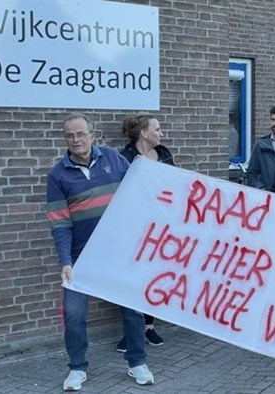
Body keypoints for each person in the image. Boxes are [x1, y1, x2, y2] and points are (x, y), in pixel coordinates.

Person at [46, 114, 154, 391]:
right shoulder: (57, 175)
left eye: (81, 133)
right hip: (80, 256)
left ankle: (137, 362)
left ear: (92, 135)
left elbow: (139, 187)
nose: (76, 140)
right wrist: (65, 261)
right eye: (70, 135)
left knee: (132, 308)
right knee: (73, 313)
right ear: (65, 139)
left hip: (118, 250)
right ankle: (77, 368)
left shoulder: (113, 159)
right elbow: (60, 222)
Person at [116, 114, 176, 351]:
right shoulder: (124, 158)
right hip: (134, 227)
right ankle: (131, 330)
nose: (161, 133)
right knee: (132, 277)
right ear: (144, 133)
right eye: (157, 129)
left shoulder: (164, 155)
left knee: (153, 275)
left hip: (161, 226)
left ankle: (149, 326)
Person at [247, 104, 275, 190]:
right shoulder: (260, 145)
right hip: (267, 198)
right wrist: (261, 189)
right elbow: (252, 173)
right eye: (273, 120)